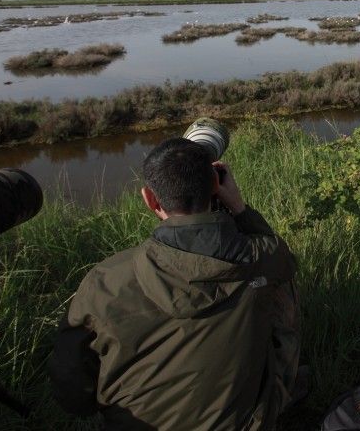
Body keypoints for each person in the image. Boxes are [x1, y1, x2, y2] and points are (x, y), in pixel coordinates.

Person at [49, 138, 302, 430]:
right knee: (281, 285)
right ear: (216, 186)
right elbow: (282, 259)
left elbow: (71, 393)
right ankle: (283, 388)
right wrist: (240, 209)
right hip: (246, 423)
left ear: (150, 199)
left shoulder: (106, 279)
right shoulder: (263, 258)